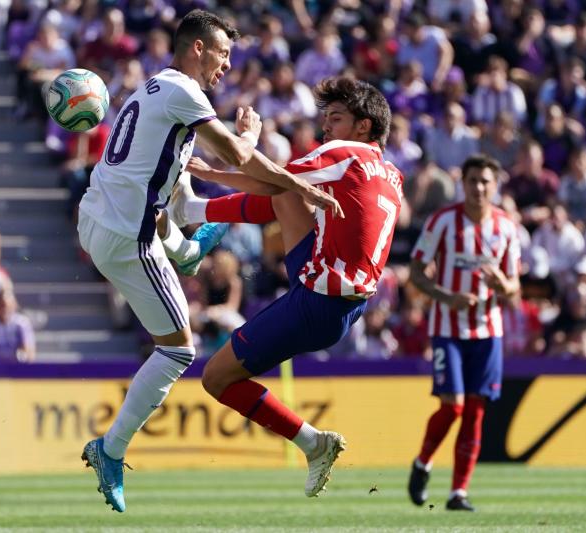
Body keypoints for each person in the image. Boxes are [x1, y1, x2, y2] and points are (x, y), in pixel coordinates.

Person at [76, 9, 340, 513]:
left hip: (97, 219)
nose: (225, 65)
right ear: (197, 47)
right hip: (125, 239)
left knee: (175, 217)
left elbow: (179, 192)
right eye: (222, 53)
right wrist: (296, 182)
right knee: (177, 352)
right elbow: (239, 160)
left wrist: (240, 155)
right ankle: (109, 450)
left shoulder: (154, 93)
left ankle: (189, 251)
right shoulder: (184, 94)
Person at [176, 76, 402, 498]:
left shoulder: (344, 153)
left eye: (335, 118)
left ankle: (313, 443)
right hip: (342, 301)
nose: (326, 129)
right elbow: (278, 192)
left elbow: (268, 180)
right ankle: (195, 212)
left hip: (318, 301)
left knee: (216, 378)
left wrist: (231, 155)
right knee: (288, 192)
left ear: (364, 127)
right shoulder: (391, 173)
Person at [407, 154, 521, 512]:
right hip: (447, 328)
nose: (479, 188)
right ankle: (423, 462)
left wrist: (504, 284)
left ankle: (459, 492)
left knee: (474, 411)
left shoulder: (505, 227)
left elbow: (515, 289)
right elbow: (416, 272)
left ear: (495, 185)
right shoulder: (443, 222)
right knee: (453, 407)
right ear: (464, 184)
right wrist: (446, 297)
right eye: (473, 181)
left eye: (486, 181)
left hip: (488, 332)